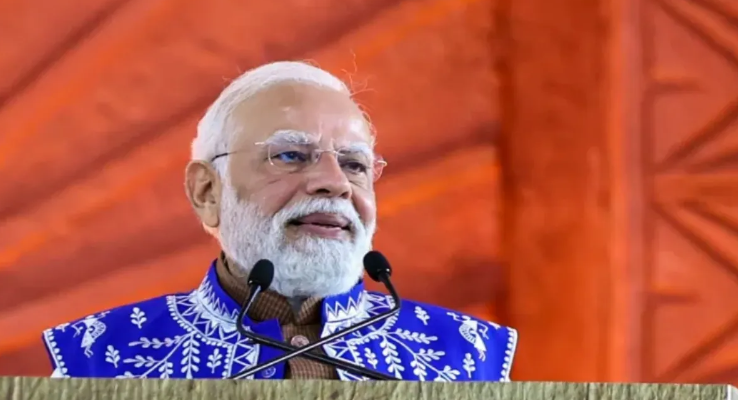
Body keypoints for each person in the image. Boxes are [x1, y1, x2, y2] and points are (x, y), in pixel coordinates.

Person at [42, 61, 518, 381]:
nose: (335, 183)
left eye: (354, 164)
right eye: (290, 155)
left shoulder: (467, 355)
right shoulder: (99, 355)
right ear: (207, 191)